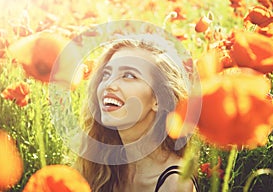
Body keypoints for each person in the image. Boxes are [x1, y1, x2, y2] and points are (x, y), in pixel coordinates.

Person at [76, 34, 199, 192]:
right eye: (106, 74)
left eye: (129, 75)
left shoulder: (174, 183)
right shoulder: (103, 166)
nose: (108, 85)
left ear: (158, 99)